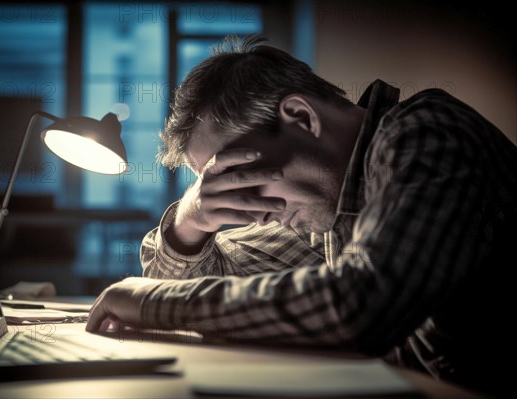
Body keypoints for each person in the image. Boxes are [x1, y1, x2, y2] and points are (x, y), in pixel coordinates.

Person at [86, 35, 516, 397]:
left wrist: (154, 303)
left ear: (300, 117)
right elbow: (214, 291)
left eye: (240, 177)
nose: (255, 212)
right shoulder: (331, 207)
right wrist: (191, 218)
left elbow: (359, 306)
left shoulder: (429, 134)